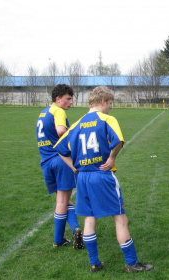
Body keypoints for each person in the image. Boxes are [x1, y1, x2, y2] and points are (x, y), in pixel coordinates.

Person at [54, 86, 154, 273]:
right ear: (102, 102)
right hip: (102, 175)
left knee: (89, 219)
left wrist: (73, 166)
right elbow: (118, 141)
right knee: (120, 218)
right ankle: (131, 263)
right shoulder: (107, 119)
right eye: (110, 103)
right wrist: (112, 158)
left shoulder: (76, 124)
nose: (110, 108)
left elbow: (60, 148)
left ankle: (94, 263)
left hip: (83, 177)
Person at [36, 83, 84, 249]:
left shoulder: (43, 112)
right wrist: (74, 135)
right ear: (58, 99)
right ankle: (61, 237)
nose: (71, 102)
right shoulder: (58, 111)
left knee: (64, 199)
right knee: (62, 200)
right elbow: (61, 131)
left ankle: (72, 230)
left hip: (46, 162)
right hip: (60, 160)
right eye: (68, 99)